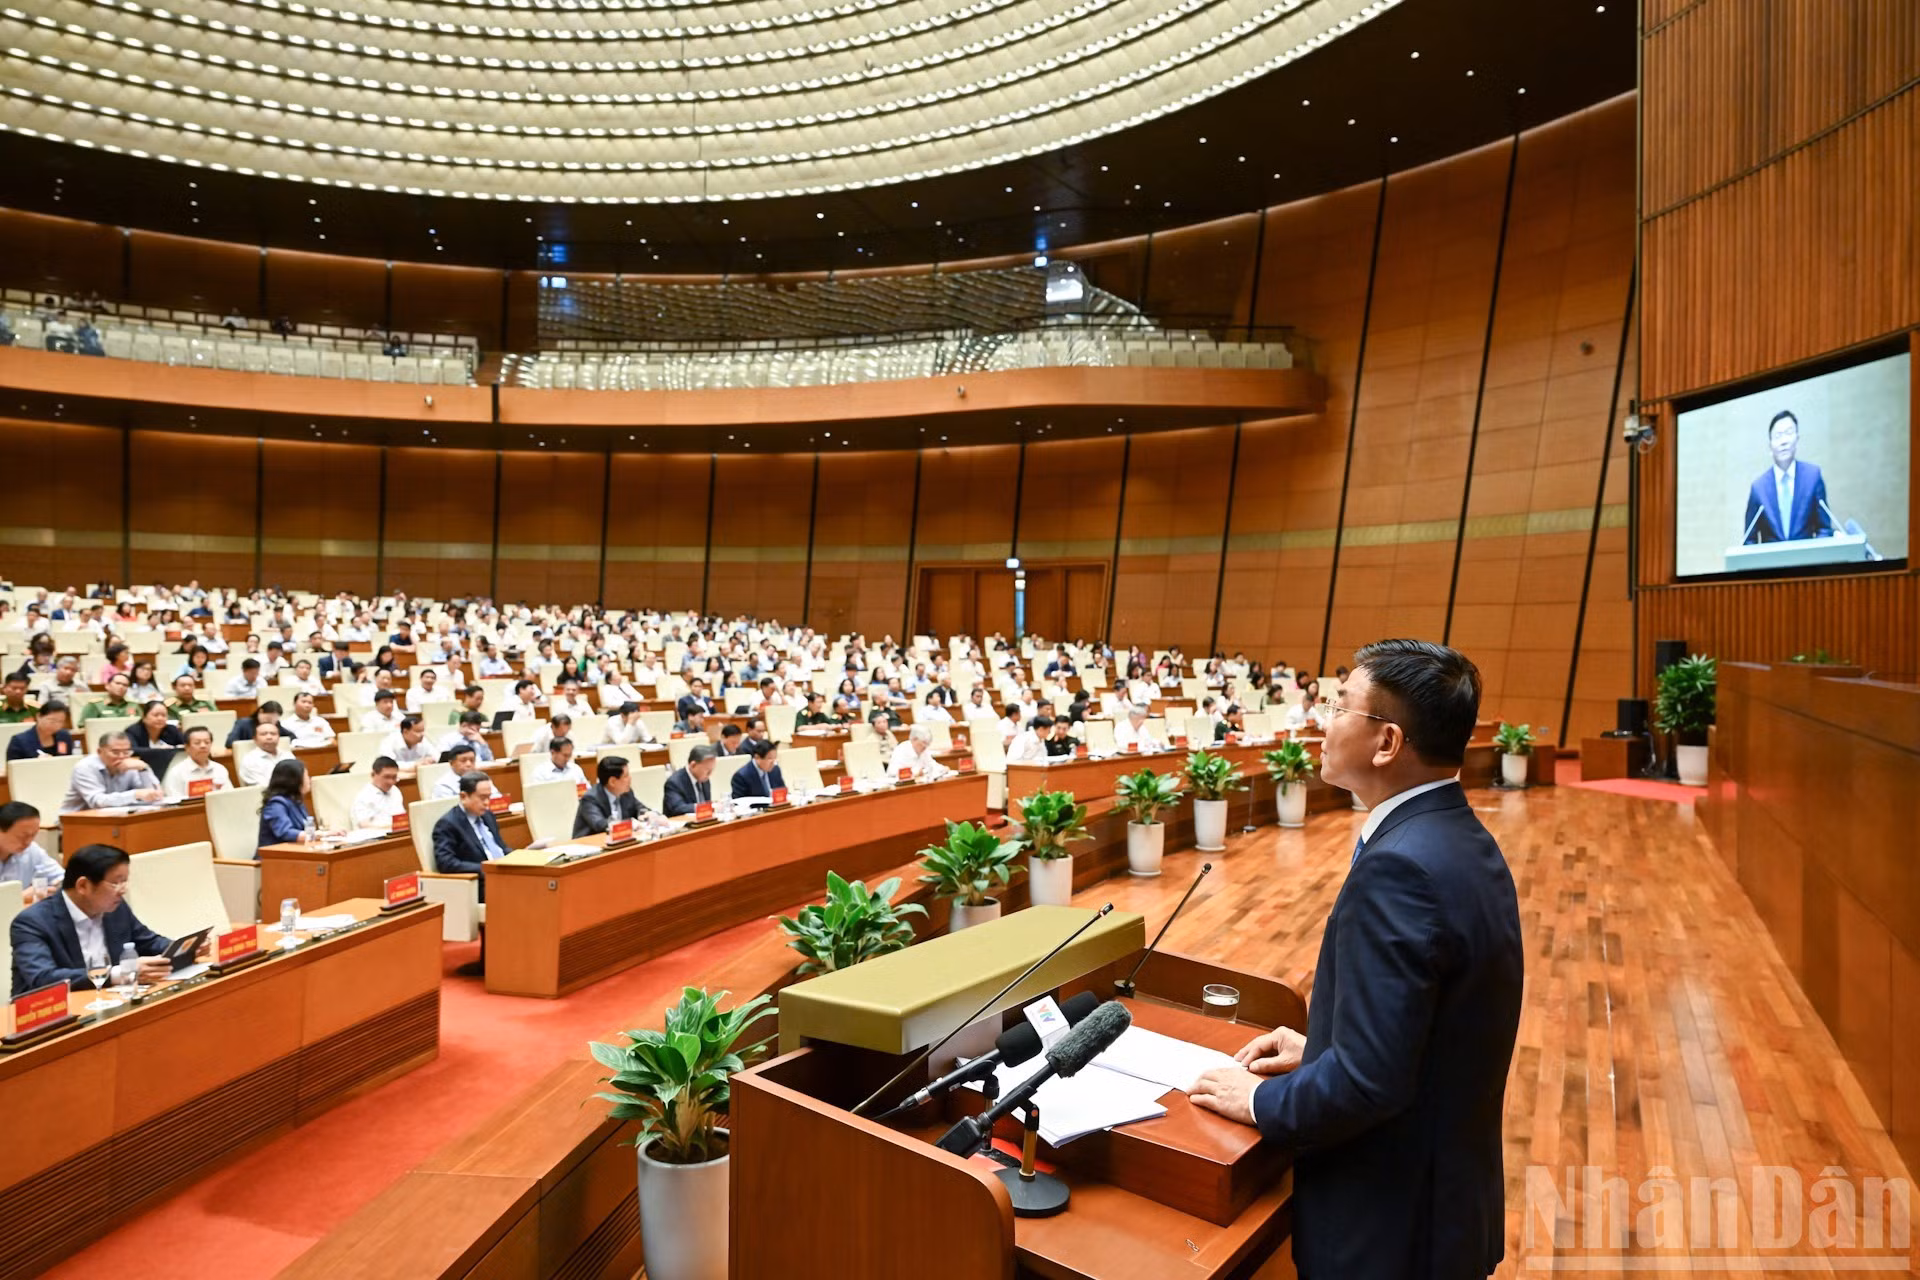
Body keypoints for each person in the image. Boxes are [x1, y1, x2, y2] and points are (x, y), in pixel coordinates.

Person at [1188, 639, 1523, 1280]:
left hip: (1387, 1232)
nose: (1325, 718)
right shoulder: (1461, 839)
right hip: (1443, 1208)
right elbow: (1432, 1027)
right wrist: (1324, 1044)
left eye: (1341, 704)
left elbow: (1370, 1085)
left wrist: (1256, 1101)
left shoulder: (1399, 867)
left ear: (1387, 742)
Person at [11, 843, 175, 997]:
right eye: (116, 883)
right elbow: (44, 978)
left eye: (124, 881)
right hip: (50, 1013)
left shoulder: (115, 908)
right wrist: (122, 972)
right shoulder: (32, 922)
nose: (122, 891)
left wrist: (185, 948)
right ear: (83, 886)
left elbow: (149, 942)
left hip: (110, 1001)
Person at [1743, 408, 1833, 544]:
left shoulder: (1813, 477)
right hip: (1771, 564)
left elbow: (1825, 529)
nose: (1783, 441)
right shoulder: (1758, 488)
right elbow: (1749, 540)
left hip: (1809, 562)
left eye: (1788, 433)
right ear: (1770, 446)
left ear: (1797, 439)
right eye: (1778, 436)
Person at [432, 772, 508, 896]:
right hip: (480, 884)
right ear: (464, 796)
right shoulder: (448, 824)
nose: (487, 803)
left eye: (489, 797)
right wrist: (486, 868)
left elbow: (500, 848)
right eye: (482, 798)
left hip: (503, 875)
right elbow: (446, 863)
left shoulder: (487, 816)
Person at [61, 731, 164, 813]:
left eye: (126, 752)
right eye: (115, 752)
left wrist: (144, 769)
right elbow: (98, 802)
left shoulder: (130, 765)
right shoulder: (85, 767)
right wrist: (135, 794)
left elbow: (154, 795)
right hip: (77, 823)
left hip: (115, 819)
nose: (121, 757)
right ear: (99, 751)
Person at [0, 801, 62, 905]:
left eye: (33, 835)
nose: (28, 842)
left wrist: (57, 886)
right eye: (22, 836)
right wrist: (19, 897)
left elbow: (59, 878)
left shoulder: (31, 850)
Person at [574, 755, 647, 837]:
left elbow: (640, 808)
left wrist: (650, 814)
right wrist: (628, 824)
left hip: (620, 841)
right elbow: (599, 824)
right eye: (626, 776)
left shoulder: (626, 793)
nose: (630, 778)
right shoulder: (590, 798)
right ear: (612, 781)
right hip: (590, 845)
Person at [257, 758, 318, 845]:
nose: (309, 780)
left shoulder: (296, 801)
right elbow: (285, 832)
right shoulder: (275, 804)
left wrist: (326, 834)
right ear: (295, 781)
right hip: (275, 856)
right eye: (306, 777)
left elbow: (307, 828)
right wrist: (322, 835)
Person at [163, 725, 232, 798]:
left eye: (207, 742)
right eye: (197, 743)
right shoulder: (176, 772)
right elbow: (175, 802)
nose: (203, 746)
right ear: (187, 747)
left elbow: (230, 797)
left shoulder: (220, 769)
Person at [662, 744, 719, 817]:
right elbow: (678, 808)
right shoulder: (674, 782)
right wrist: (708, 806)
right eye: (707, 770)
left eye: (712, 770)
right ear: (693, 765)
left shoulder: (704, 779)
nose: (710, 774)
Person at [350, 757, 406, 831]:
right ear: (373, 774)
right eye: (387, 777)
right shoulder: (364, 796)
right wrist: (390, 827)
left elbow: (401, 816)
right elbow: (364, 825)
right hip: (374, 836)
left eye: (394, 777)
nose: (391, 782)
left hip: (397, 833)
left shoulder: (395, 790)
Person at [7, 701, 73, 760]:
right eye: (52, 721)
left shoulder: (64, 736)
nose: (56, 725)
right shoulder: (19, 741)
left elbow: (67, 760)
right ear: (38, 716)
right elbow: (14, 768)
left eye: (60, 722)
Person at [238, 720, 295, 787]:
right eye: (263, 734)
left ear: (279, 737)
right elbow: (264, 787)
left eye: (273, 734)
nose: (269, 737)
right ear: (255, 739)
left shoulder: (287, 755)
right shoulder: (250, 760)